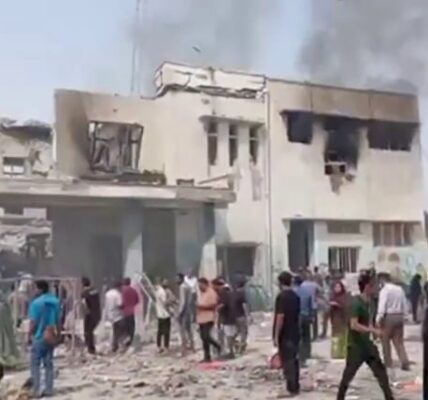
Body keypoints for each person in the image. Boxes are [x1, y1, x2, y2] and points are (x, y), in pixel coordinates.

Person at [337, 272, 394, 400]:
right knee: (347, 376)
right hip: (356, 347)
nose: (376, 288)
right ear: (367, 286)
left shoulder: (371, 303)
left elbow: (370, 321)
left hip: (368, 346)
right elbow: (354, 325)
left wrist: (375, 331)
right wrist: (372, 330)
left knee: (381, 374)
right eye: (374, 285)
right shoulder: (356, 303)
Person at [28, 280, 60, 398]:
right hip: (51, 335)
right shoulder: (55, 302)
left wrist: (29, 335)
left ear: (40, 289)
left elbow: (33, 322)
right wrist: (59, 334)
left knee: (35, 364)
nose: (34, 291)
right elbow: (58, 320)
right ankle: (49, 389)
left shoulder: (36, 303)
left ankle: (36, 390)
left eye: (35, 288)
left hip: (39, 336)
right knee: (48, 364)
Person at [273, 271, 301, 397]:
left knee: (287, 361)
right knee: (294, 360)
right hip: (295, 331)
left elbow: (280, 317)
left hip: (285, 333)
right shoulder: (295, 296)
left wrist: (276, 335)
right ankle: (295, 386)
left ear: (280, 283)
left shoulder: (281, 297)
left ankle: (291, 388)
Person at [376, 274, 410, 371]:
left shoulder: (385, 290)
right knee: (398, 341)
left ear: (382, 280)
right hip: (399, 315)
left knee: (385, 340)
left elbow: (382, 304)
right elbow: (404, 303)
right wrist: (405, 315)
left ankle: (388, 362)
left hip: (388, 316)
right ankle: (404, 360)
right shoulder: (399, 289)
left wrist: (379, 318)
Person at [196, 277, 221, 363]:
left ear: (205, 284)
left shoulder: (211, 293)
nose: (199, 287)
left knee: (206, 336)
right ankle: (207, 357)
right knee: (203, 338)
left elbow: (214, 305)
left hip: (209, 318)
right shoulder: (202, 293)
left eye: (200, 285)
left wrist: (202, 307)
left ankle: (217, 346)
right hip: (201, 318)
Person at [213, 278, 237, 359]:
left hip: (227, 317)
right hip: (231, 316)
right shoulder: (229, 292)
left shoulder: (223, 293)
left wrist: (215, 309)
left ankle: (230, 352)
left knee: (228, 335)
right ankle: (231, 351)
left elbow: (223, 304)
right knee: (230, 335)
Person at [294, 275, 313, 366]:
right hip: (306, 316)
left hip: (297, 317)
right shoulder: (307, 292)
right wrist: (311, 316)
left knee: (298, 337)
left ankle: (300, 356)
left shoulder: (293, 292)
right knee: (307, 336)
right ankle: (307, 354)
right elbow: (310, 305)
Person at [81, 277, 101, 355]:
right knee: (90, 331)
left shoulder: (84, 293)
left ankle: (90, 348)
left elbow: (84, 304)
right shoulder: (95, 291)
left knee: (88, 331)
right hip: (97, 313)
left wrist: (86, 312)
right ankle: (91, 347)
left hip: (89, 314)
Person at [176, 273, 195, 355]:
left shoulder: (182, 287)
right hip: (189, 311)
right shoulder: (188, 286)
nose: (176, 280)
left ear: (181, 279)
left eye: (177, 279)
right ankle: (192, 346)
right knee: (189, 330)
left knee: (182, 331)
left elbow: (183, 302)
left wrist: (179, 313)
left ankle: (183, 350)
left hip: (184, 312)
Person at [301, 271, 321, 340]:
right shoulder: (314, 284)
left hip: (305, 305)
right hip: (313, 305)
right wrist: (316, 295)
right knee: (314, 321)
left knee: (305, 322)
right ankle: (315, 336)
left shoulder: (302, 285)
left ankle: (307, 336)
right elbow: (321, 290)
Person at [330, 281, 348, 359]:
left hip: (343, 319)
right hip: (335, 319)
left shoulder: (345, 297)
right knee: (336, 337)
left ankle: (343, 353)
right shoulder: (333, 297)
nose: (337, 289)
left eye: (338, 287)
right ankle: (336, 353)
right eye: (335, 287)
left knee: (343, 336)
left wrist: (339, 305)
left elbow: (347, 307)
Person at [104, 281, 124, 353]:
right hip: (117, 315)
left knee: (111, 331)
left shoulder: (107, 293)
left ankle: (112, 346)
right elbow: (120, 304)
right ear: (119, 287)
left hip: (109, 314)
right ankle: (116, 346)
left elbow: (105, 304)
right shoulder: (118, 294)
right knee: (117, 331)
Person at [155, 279, 174, 353]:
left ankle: (159, 346)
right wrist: (171, 300)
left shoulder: (157, 291)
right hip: (165, 314)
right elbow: (165, 303)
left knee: (160, 331)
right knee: (166, 331)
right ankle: (166, 346)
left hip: (160, 314)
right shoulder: (162, 291)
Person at [121, 277, 139, 348]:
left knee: (125, 328)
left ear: (124, 282)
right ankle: (130, 341)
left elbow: (120, 302)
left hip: (124, 312)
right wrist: (132, 305)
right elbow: (137, 300)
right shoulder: (133, 290)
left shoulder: (122, 290)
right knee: (132, 327)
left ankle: (125, 342)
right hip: (131, 311)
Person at [234, 279, 250, 354]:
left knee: (236, 331)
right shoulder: (242, 294)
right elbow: (244, 306)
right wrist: (248, 316)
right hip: (241, 316)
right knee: (244, 332)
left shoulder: (233, 293)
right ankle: (242, 347)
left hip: (234, 316)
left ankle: (235, 343)